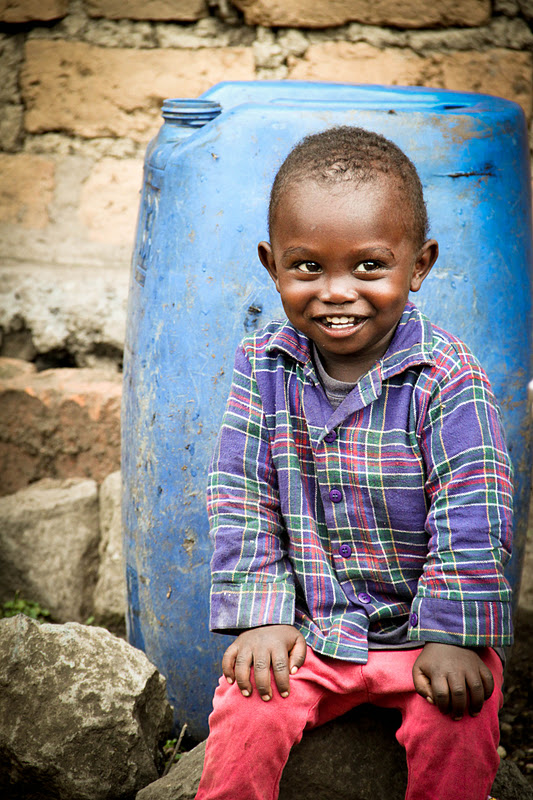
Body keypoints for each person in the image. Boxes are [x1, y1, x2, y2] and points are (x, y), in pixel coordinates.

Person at [195, 126, 513, 800]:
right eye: (307, 266)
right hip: (309, 635)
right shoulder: (263, 368)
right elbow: (243, 494)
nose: (337, 291)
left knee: (461, 717)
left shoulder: (446, 377)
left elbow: (474, 507)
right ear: (271, 265)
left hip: (421, 637)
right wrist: (263, 616)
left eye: (369, 266)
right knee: (249, 707)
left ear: (418, 265)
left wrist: (454, 634)